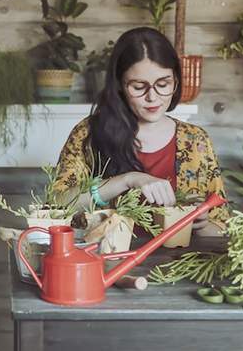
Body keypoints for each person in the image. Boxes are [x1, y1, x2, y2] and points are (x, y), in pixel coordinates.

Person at [53, 27, 230, 235]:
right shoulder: (88, 134)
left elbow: (223, 227)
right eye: (138, 87)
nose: (152, 97)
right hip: (110, 263)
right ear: (119, 84)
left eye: (163, 84)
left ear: (176, 80)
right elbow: (58, 204)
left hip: (181, 263)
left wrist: (201, 225)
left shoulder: (196, 141)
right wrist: (128, 179)